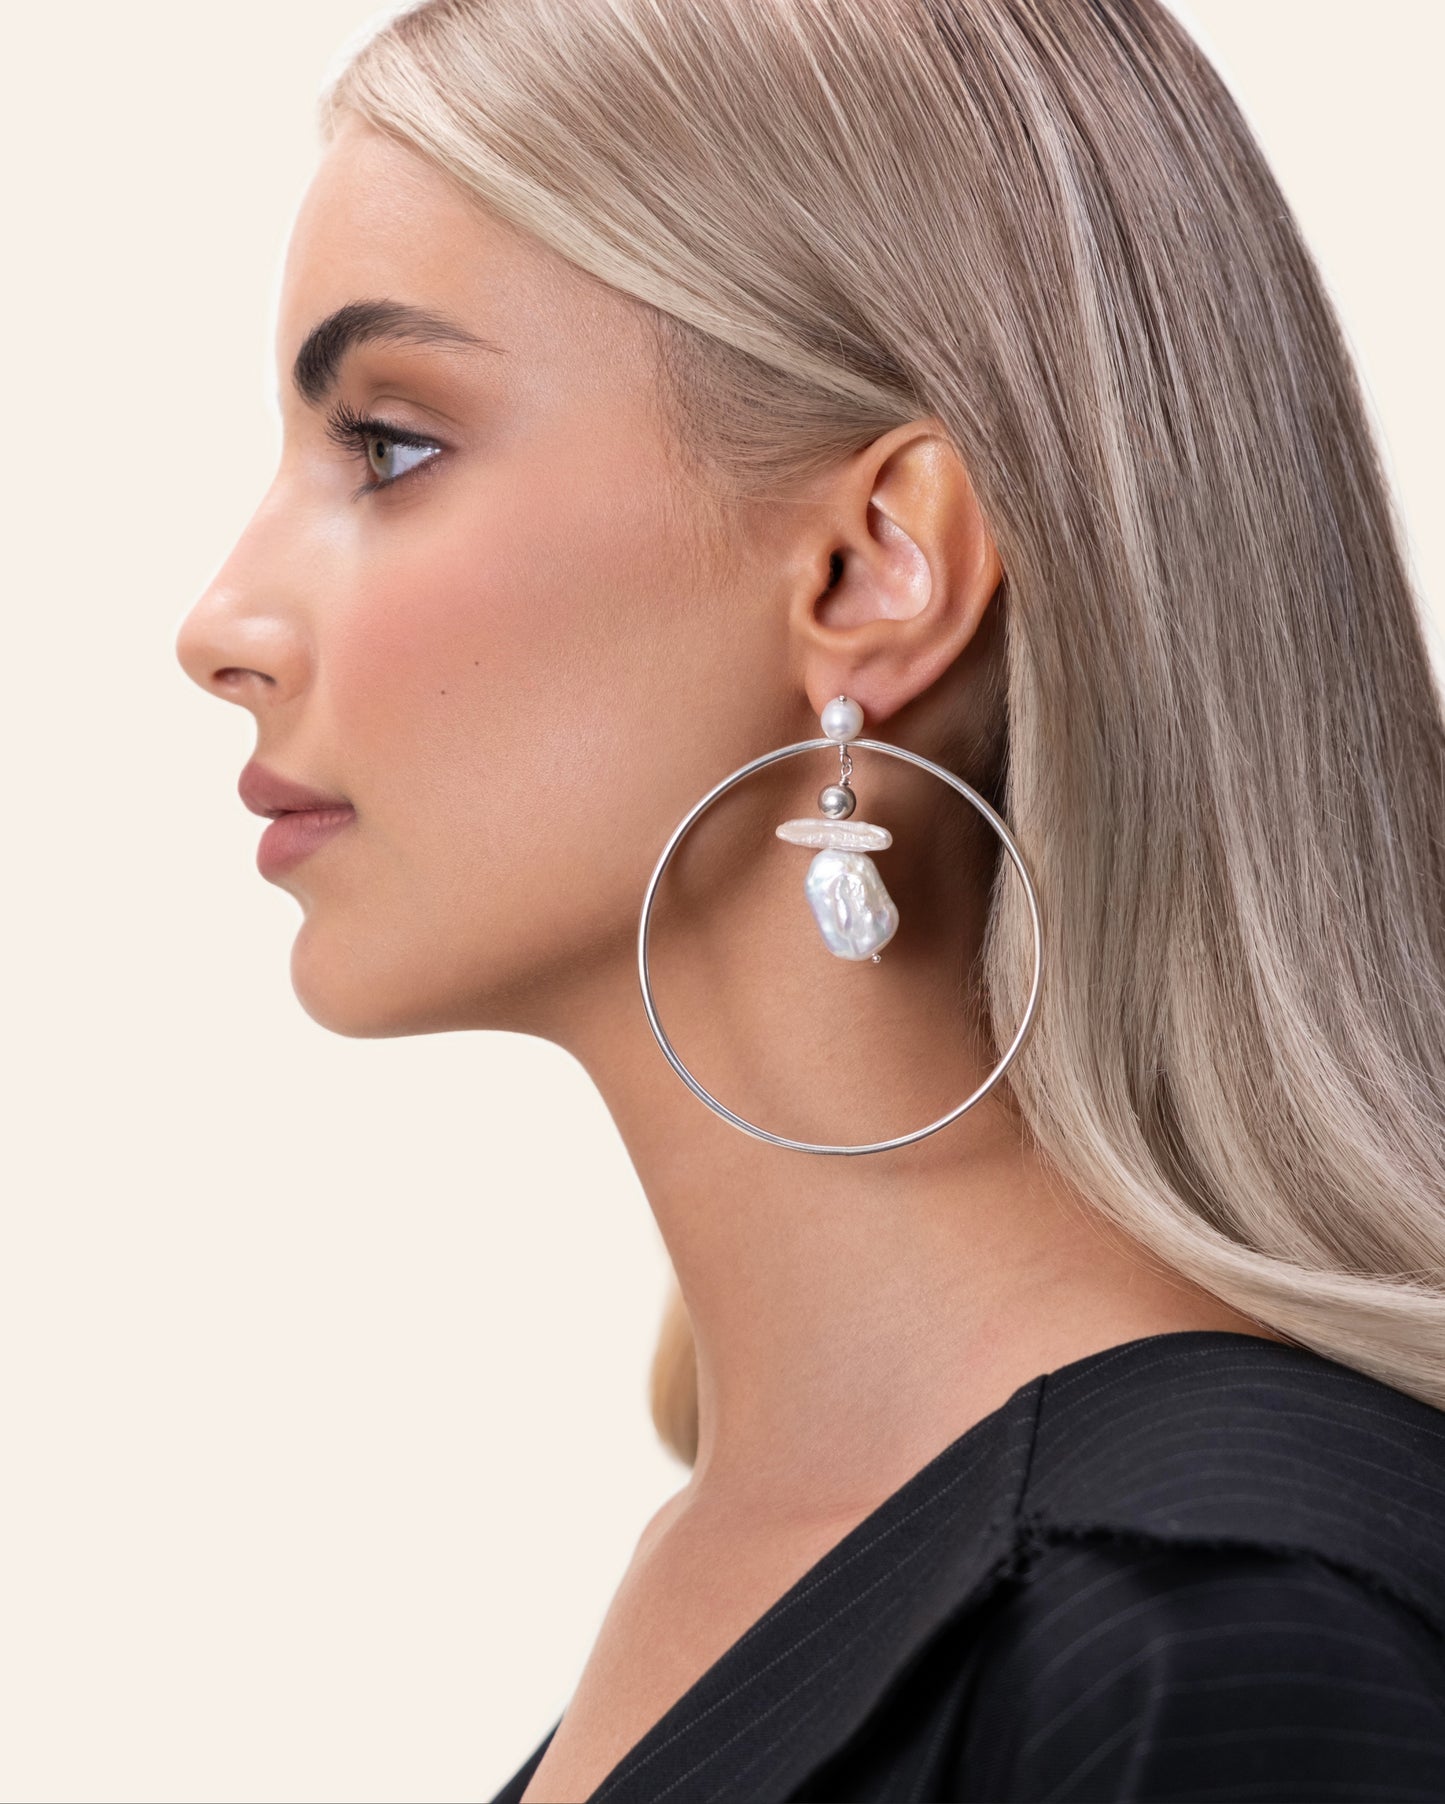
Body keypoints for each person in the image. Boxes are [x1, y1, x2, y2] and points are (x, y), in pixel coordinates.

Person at [174, 0, 1445, 1798]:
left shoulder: (1215, 1630)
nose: (218, 626)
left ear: (871, 569)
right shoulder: (777, 1550)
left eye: (386, 445)